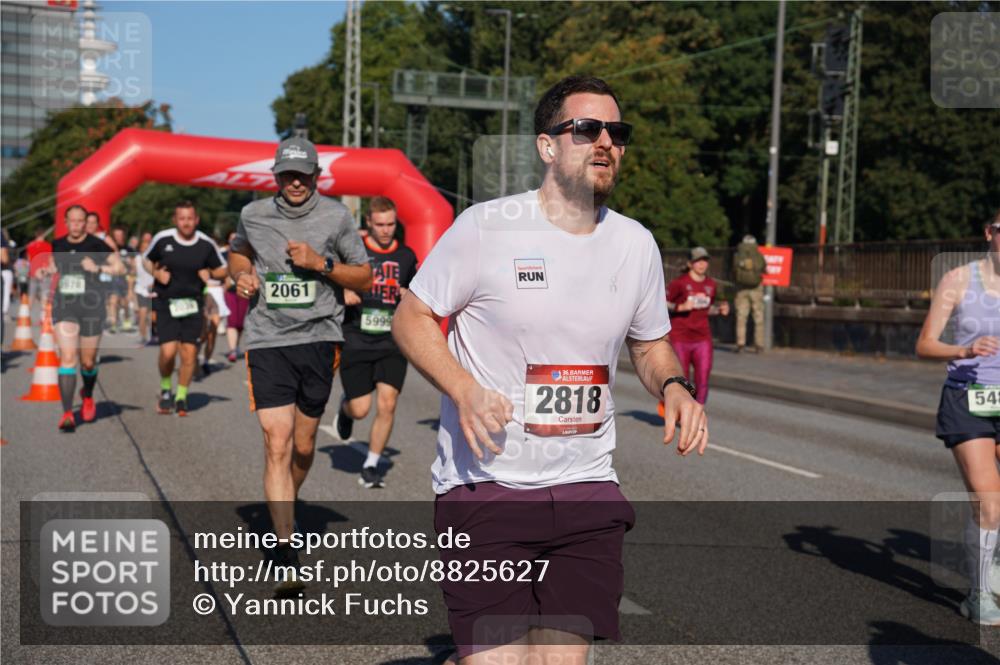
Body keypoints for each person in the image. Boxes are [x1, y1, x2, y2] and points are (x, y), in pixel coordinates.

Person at [392, 75, 708, 664]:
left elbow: (650, 343)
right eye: (586, 129)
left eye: (617, 131)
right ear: (547, 146)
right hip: (488, 485)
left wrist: (674, 387)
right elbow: (411, 317)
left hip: (587, 488)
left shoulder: (635, 244)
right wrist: (463, 388)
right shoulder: (487, 228)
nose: (605, 141)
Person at [227, 136, 371, 587]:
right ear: (276, 176)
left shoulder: (336, 215)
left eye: (302, 174)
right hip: (267, 338)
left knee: (303, 447)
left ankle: (285, 497)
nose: (295, 181)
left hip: (319, 339)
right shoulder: (253, 214)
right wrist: (242, 275)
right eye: (287, 174)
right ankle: (285, 547)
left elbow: (363, 276)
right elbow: (237, 251)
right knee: (277, 440)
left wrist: (322, 264)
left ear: (315, 175)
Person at [917, 209, 1000, 625]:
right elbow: (925, 344)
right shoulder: (959, 280)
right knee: (989, 497)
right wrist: (965, 350)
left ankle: (992, 561)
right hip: (969, 397)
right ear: (990, 233)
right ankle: (979, 593)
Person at [332, 196, 419, 488]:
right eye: (379, 224)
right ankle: (345, 410)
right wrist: (342, 291)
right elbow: (330, 278)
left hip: (392, 342)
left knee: (388, 403)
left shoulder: (407, 256)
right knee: (360, 409)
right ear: (368, 222)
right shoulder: (353, 252)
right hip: (356, 338)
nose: (385, 230)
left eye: (390, 224)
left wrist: (408, 295)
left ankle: (371, 464)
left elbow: (417, 294)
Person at [143, 201, 227, 416]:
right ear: (175, 220)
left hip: (193, 303)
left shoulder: (206, 244)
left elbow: (223, 270)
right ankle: (165, 388)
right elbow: (146, 260)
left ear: (196, 220)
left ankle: (181, 395)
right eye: (182, 218)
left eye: (190, 218)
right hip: (165, 302)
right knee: (168, 352)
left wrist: (210, 274)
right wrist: (156, 273)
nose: (186, 223)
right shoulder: (164, 239)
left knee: (189, 354)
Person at [47, 205, 125, 432]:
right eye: (72, 221)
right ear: (65, 221)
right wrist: (47, 270)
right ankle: (68, 413)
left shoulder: (96, 244)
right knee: (68, 357)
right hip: (65, 306)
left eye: (81, 221)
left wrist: (98, 266)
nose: (77, 225)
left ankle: (88, 394)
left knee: (88, 361)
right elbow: (54, 266)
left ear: (86, 222)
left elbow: (119, 268)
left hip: (92, 307)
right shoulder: (58, 244)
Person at [665, 247, 729, 405]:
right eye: (697, 261)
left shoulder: (711, 285)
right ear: (690, 263)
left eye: (704, 260)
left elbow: (706, 309)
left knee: (703, 378)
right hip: (680, 337)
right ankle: (684, 409)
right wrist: (679, 307)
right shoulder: (679, 283)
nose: (702, 264)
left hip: (702, 337)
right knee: (683, 379)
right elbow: (660, 302)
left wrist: (720, 310)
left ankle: (698, 411)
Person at [732, 233, 766, 353]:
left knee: (741, 316)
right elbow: (764, 268)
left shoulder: (738, 254)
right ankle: (759, 345)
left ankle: (740, 343)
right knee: (758, 316)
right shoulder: (758, 254)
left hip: (741, 288)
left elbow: (733, 269)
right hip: (756, 288)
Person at [221, 230, 249, 362]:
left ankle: (236, 346)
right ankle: (232, 350)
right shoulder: (223, 254)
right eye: (231, 238)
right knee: (232, 320)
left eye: (236, 238)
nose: (233, 241)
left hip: (244, 290)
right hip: (230, 290)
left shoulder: (246, 253)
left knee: (240, 322)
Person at [134, 232, 155, 346]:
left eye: (148, 247)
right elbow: (132, 274)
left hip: (153, 290)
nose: (145, 248)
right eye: (143, 246)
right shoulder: (136, 259)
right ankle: (142, 336)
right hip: (140, 289)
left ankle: (152, 335)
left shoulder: (154, 259)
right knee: (142, 313)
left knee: (151, 315)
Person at [25, 227, 52, 308]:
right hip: (44, 272)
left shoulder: (30, 245)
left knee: (31, 294)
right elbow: (50, 259)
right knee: (45, 295)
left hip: (33, 273)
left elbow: (28, 259)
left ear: (35, 235)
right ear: (43, 235)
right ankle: (44, 316)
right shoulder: (48, 245)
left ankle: (26, 315)